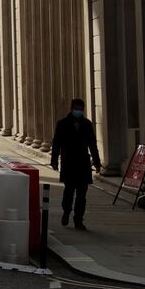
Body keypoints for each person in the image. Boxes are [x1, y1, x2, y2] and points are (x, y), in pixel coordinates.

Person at [50, 98, 102, 231]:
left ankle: (78, 219)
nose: (78, 111)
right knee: (69, 191)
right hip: (69, 161)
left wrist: (97, 162)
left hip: (83, 162)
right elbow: (56, 143)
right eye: (76, 109)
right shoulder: (62, 124)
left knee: (82, 194)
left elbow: (92, 144)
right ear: (71, 109)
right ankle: (66, 211)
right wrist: (54, 160)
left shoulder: (87, 124)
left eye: (80, 109)